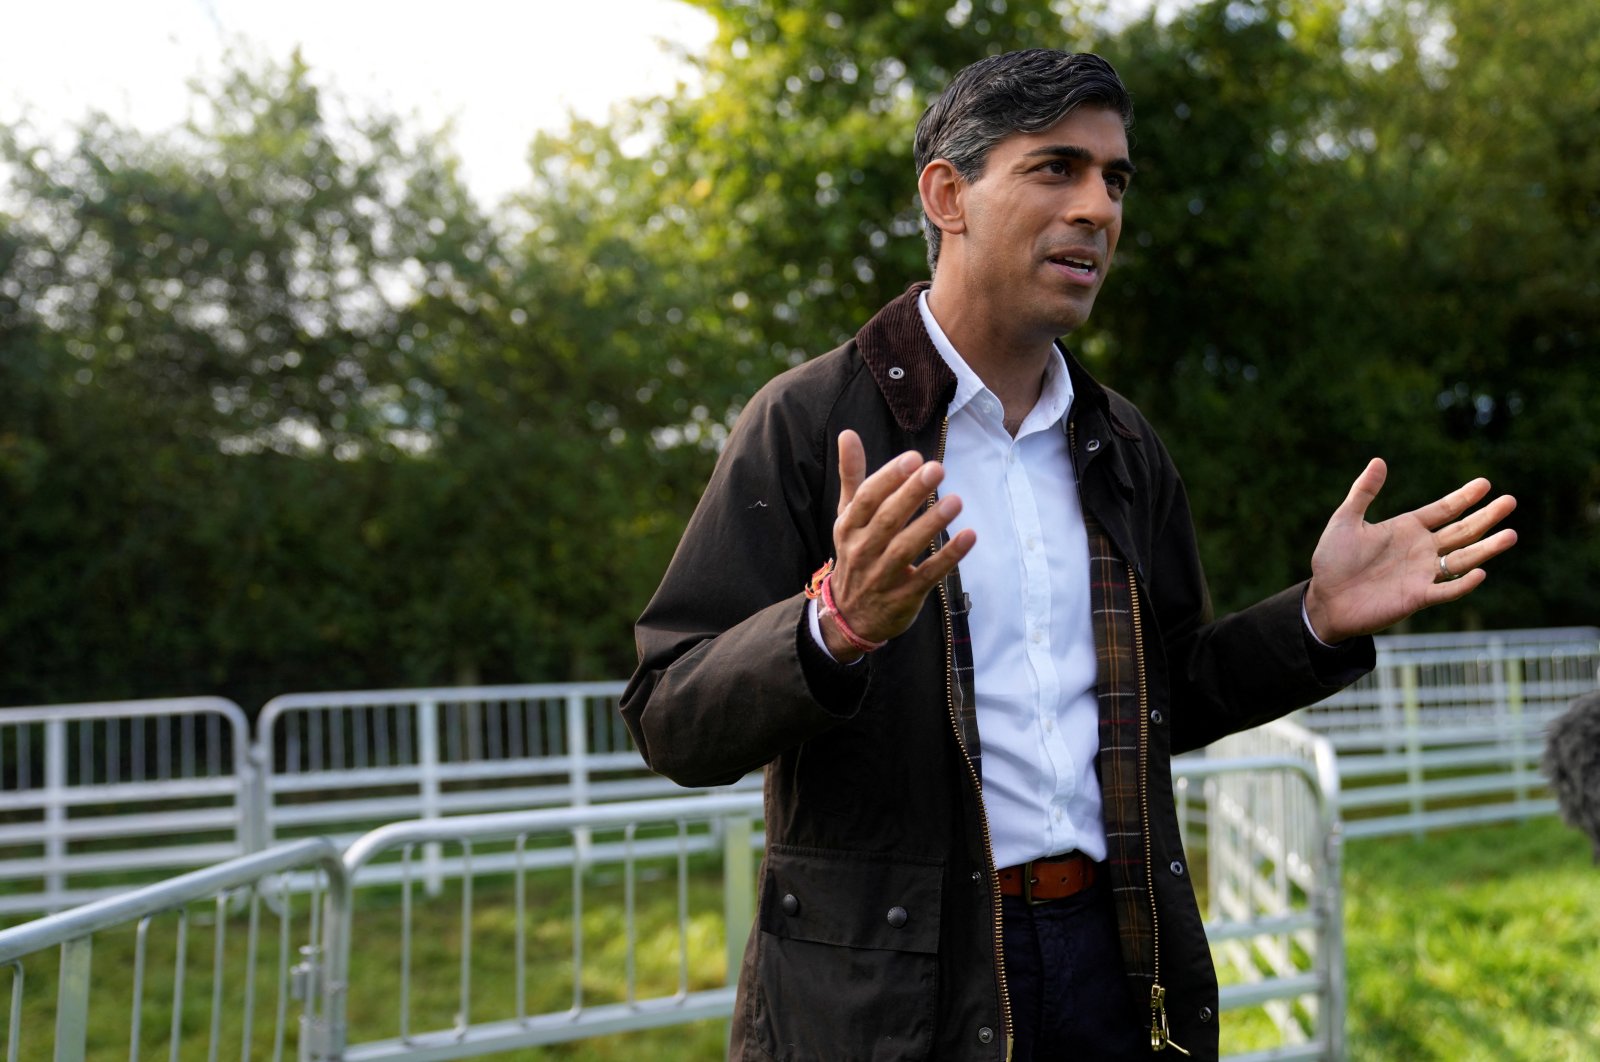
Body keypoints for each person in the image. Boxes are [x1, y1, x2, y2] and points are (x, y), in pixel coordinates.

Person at [621, 49, 1517, 1061]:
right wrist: (835, 625)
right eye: (1056, 168)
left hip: (1110, 959)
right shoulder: (809, 423)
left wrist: (1311, 618)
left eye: (1115, 178)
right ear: (946, 194)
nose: (1097, 207)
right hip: (888, 989)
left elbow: (1165, 695)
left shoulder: (1121, 445)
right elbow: (668, 714)